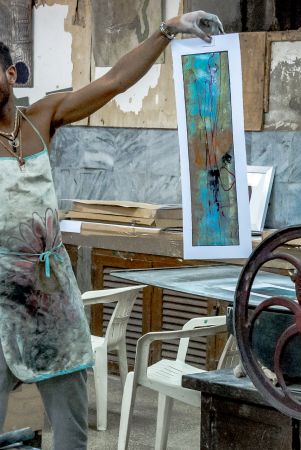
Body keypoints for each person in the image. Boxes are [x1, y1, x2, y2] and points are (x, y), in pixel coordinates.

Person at [0, 10, 223, 450]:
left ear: (10, 73)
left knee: (70, 430)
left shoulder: (41, 119)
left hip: (51, 296)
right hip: (1, 293)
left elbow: (113, 83)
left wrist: (168, 30)